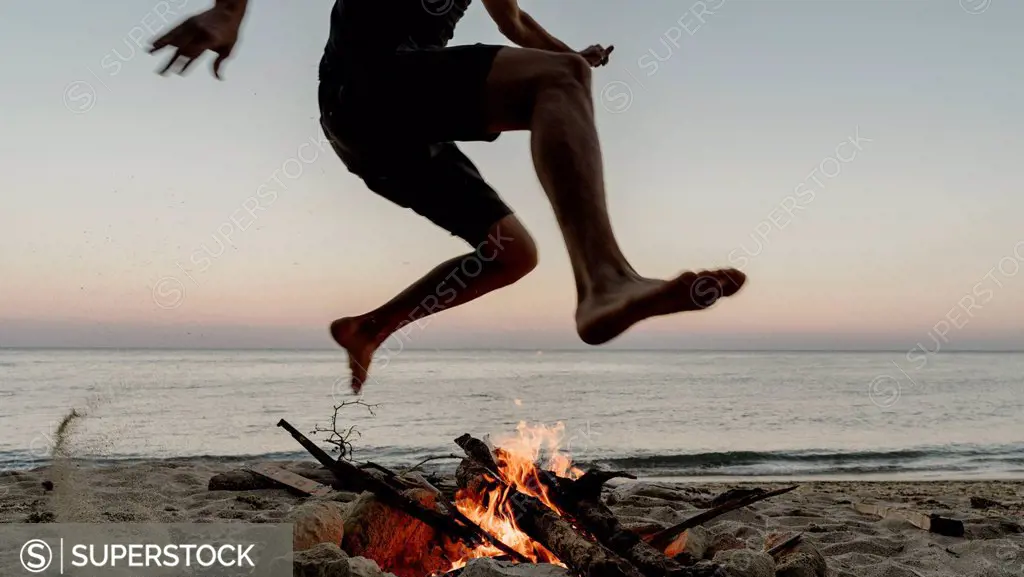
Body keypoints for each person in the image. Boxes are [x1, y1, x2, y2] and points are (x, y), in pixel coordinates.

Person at [149, 0, 747, 393]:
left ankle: (368, 329)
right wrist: (229, 12)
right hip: (368, 84)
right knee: (561, 81)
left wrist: (570, 56)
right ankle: (606, 281)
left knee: (511, 252)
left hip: (391, 129)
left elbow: (514, 22)